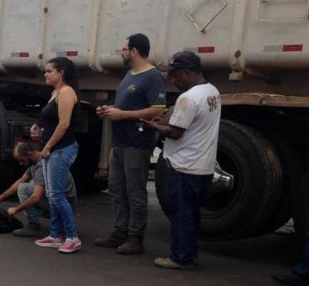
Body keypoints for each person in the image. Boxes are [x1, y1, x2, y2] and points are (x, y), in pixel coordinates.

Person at [142, 51, 221, 269]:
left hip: (185, 165)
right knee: (192, 213)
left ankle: (181, 257)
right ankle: (189, 253)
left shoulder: (188, 97)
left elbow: (175, 132)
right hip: (202, 165)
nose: (172, 81)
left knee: (181, 212)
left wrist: (154, 125)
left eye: (175, 76)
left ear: (187, 73)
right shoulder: (212, 91)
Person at [95, 33, 167, 255]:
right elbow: (122, 108)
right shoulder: (129, 74)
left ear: (134, 51)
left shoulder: (153, 76)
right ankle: (119, 233)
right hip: (119, 142)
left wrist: (122, 114)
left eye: (124, 49)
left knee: (135, 191)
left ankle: (136, 238)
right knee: (117, 189)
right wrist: (108, 111)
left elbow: (157, 109)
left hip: (137, 143)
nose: (122, 52)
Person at [34, 57, 81, 253]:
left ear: (61, 73)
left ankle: (72, 237)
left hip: (61, 149)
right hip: (51, 149)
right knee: (52, 195)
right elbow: (50, 120)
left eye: (49, 71)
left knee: (57, 194)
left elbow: (64, 124)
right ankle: (55, 235)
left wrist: (48, 147)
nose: (45, 74)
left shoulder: (67, 92)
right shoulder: (55, 93)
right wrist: (38, 128)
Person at [0, 141, 77, 237]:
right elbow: (21, 181)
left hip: (65, 206)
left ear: (30, 154)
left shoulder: (42, 165)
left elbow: (36, 197)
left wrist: (16, 209)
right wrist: (0, 197)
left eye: (22, 160)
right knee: (27, 185)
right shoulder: (35, 162)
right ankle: (59, 225)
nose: (20, 163)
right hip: (63, 204)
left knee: (24, 189)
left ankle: (34, 226)